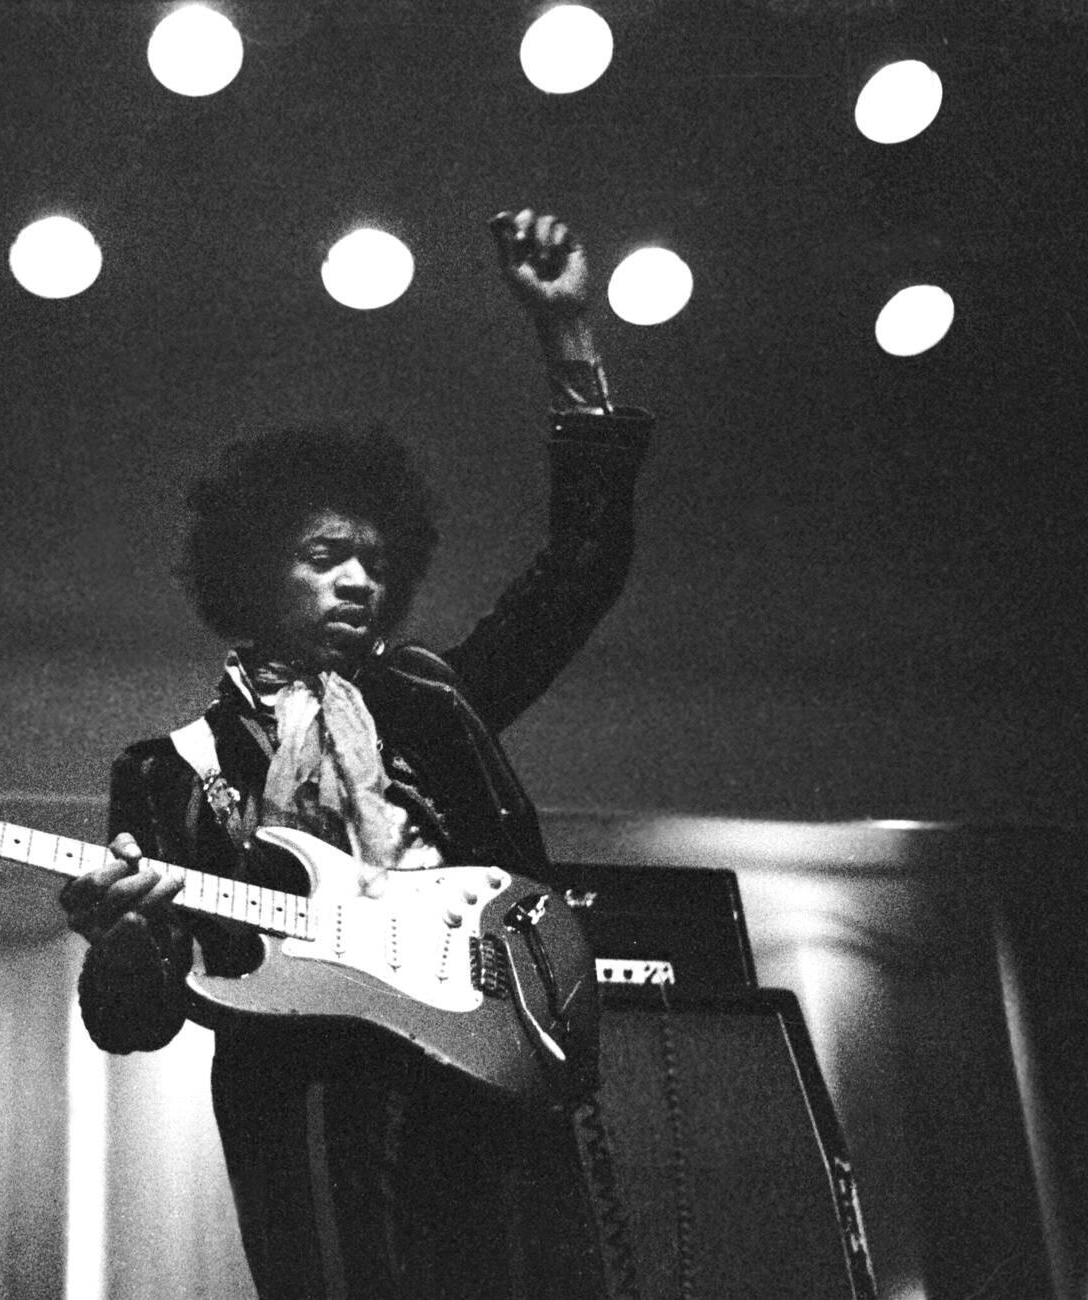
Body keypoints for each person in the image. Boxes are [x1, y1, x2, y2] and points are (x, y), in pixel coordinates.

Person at [59, 209, 653, 1299]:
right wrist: (126, 935)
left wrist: (569, 334)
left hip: (490, 1066)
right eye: (324, 554)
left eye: (375, 561)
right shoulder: (170, 770)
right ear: (253, 570)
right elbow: (130, 1021)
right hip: (314, 1101)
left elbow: (582, 568)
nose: (357, 581)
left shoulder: (428, 697)